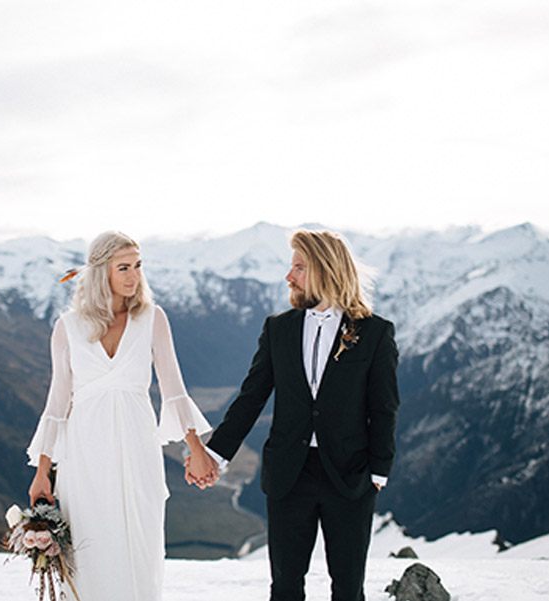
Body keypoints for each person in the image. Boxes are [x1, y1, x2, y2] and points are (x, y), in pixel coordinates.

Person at [186, 229, 400, 601]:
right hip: (289, 474)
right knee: (285, 587)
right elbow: (251, 398)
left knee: (349, 589)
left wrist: (379, 469)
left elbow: (383, 405)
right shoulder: (278, 329)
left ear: (325, 269)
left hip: (350, 476)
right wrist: (214, 454)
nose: (289, 276)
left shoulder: (375, 333)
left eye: (299, 267)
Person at [26, 231, 214, 601]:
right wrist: (42, 471)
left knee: (140, 547)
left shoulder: (152, 319)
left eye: (138, 266)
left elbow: (173, 388)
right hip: (84, 456)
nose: (134, 276)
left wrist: (196, 447)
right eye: (123, 267)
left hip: (138, 449)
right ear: (101, 272)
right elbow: (58, 402)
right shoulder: (67, 327)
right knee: (89, 549)